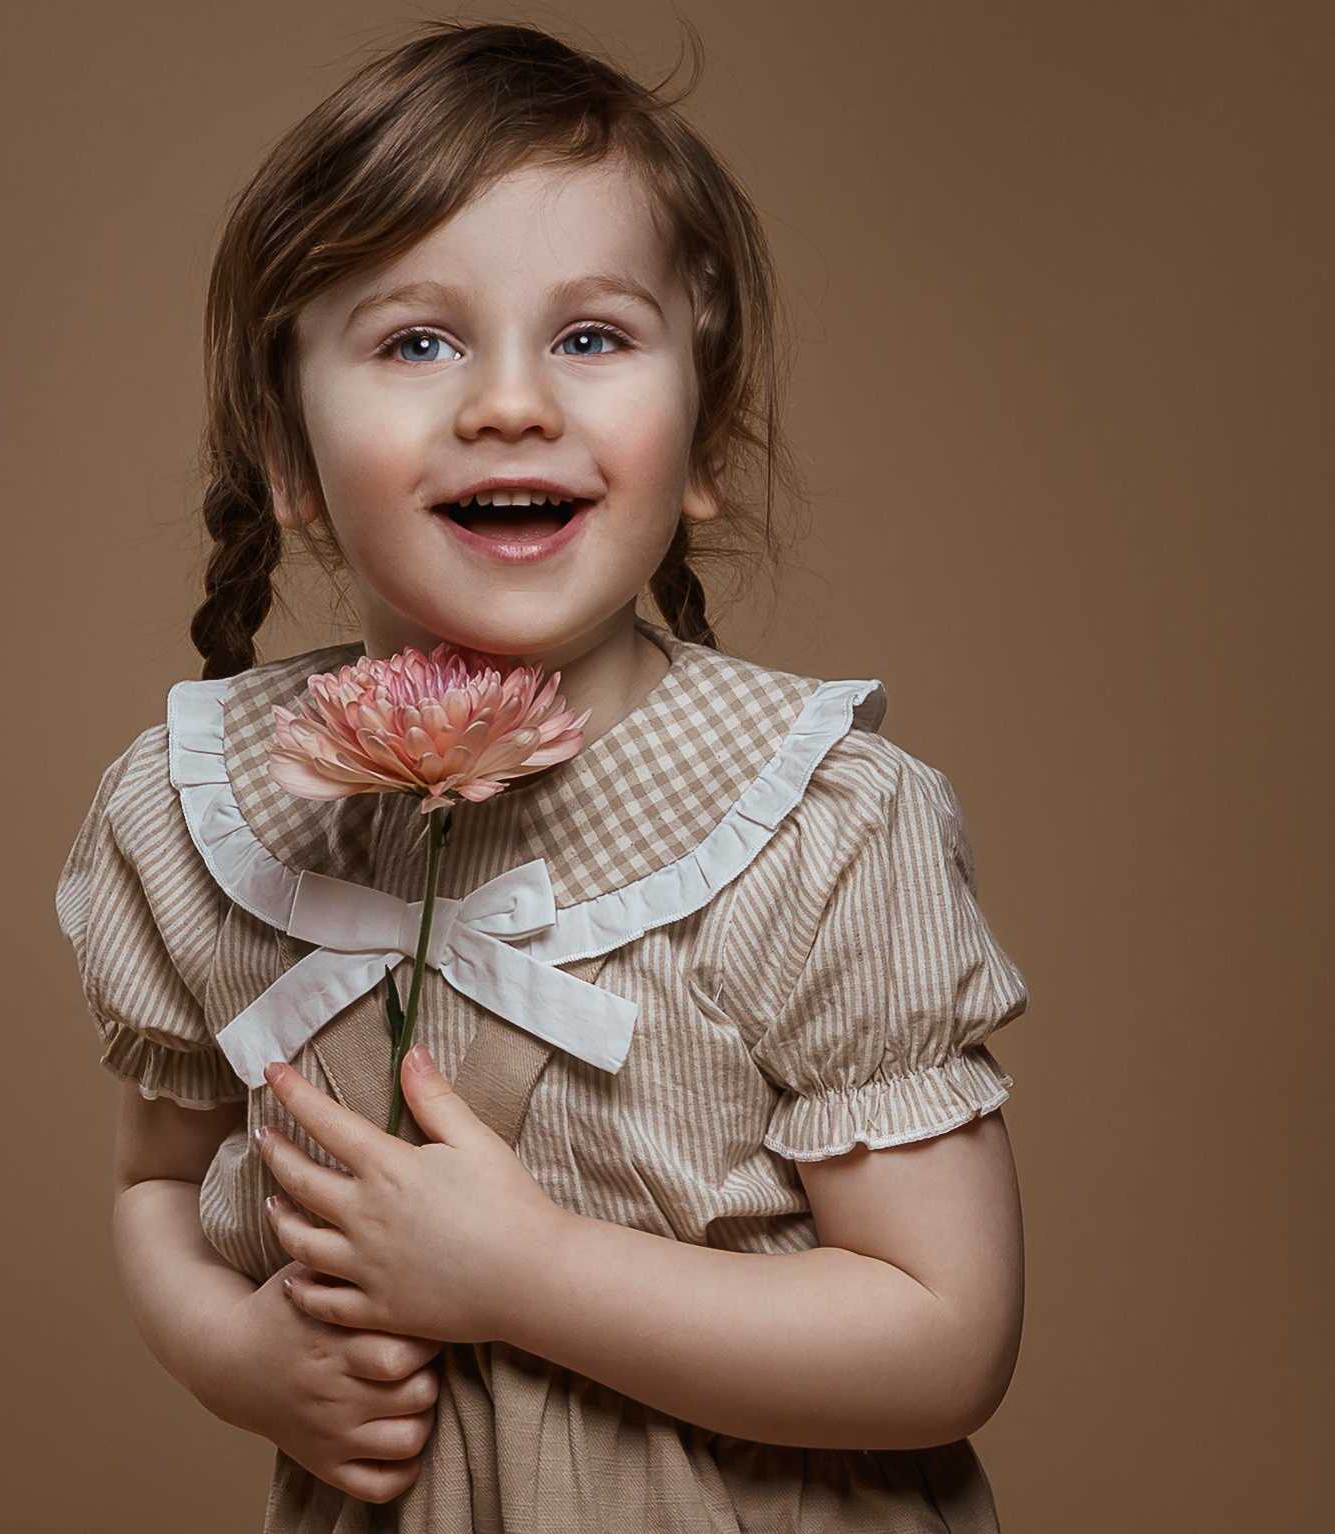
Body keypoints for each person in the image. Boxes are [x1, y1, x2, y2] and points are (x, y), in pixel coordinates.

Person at [54, 20, 1030, 1534]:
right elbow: (152, 1191)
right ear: (289, 455)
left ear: (700, 430)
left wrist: (523, 1276)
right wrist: (243, 1355)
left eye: (589, 336)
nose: (508, 402)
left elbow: (946, 1336)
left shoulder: (818, 823)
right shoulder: (195, 818)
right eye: (415, 340)